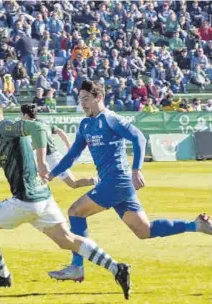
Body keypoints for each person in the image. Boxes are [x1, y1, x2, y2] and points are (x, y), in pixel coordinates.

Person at [0, 95, 132, 299]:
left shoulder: (6, 127)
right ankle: (116, 268)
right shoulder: (1, 135)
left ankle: (1, 275)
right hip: (42, 199)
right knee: (68, 240)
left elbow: (37, 128)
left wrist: (41, 162)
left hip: (25, 201)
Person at [44, 81, 212, 282]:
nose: (83, 104)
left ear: (99, 97)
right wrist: (52, 174)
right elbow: (72, 155)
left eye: (86, 99)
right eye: (80, 100)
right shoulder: (85, 125)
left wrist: (136, 169)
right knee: (144, 231)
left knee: (75, 212)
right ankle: (195, 226)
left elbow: (139, 138)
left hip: (117, 181)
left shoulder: (110, 119)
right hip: (115, 184)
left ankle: (77, 267)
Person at [20, 103, 96, 189]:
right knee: (34, 181)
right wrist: (68, 145)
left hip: (53, 159)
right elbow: (59, 131)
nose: (20, 116)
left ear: (25, 114)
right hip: (44, 158)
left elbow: (55, 133)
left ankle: (98, 181)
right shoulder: (41, 122)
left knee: (74, 184)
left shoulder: (35, 125)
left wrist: (69, 146)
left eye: (21, 114)